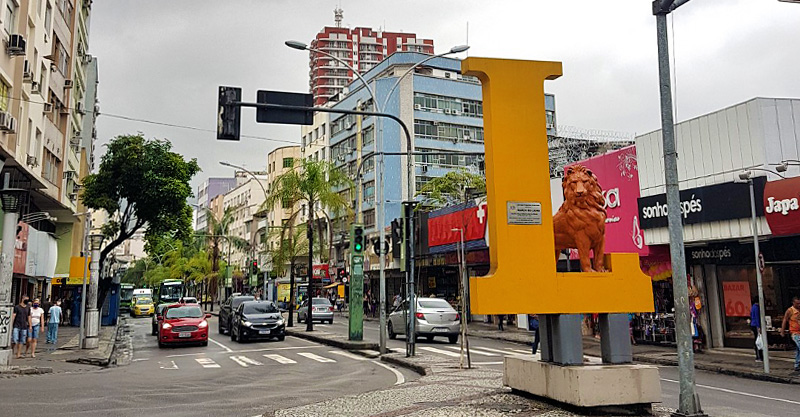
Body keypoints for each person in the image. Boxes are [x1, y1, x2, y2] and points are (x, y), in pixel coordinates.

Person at [780, 296, 800, 374]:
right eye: (797, 303)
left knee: (798, 349)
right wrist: (782, 330)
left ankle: (797, 365)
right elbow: (785, 319)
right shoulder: (790, 311)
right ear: (793, 303)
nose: (799, 305)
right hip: (795, 333)